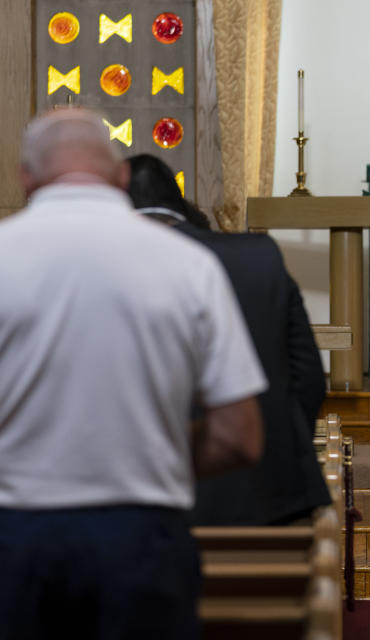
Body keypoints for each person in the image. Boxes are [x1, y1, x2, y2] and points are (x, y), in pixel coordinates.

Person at [0, 108, 266, 638]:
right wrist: (152, 454)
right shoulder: (188, 265)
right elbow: (240, 437)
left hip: (14, 533)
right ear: (121, 175)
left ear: (25, 177)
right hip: (144, 535)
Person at [125, 153, 331, 525]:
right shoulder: (259, 256)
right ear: (180, 204)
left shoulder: (117, 265)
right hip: (274, 494)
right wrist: (280, 444)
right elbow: (309, 377)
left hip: (164, 502)